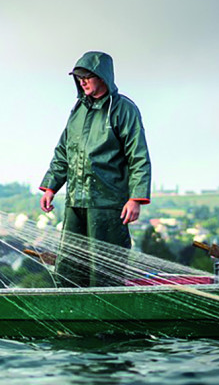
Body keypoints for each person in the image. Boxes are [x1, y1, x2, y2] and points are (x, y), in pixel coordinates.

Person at [39, 51, 152, 287]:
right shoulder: (78, 111)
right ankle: (71, 319)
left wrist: (136, 199)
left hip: (108, 205)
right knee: (69, 268)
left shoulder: (124, 110)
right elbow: (63, 151)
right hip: (75, 203)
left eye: (86, 76)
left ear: (102, 76)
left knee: (104, 272)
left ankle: (107, 321)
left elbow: (138, 156)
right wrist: (50, 186)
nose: (82, 81)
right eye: (78, 76)